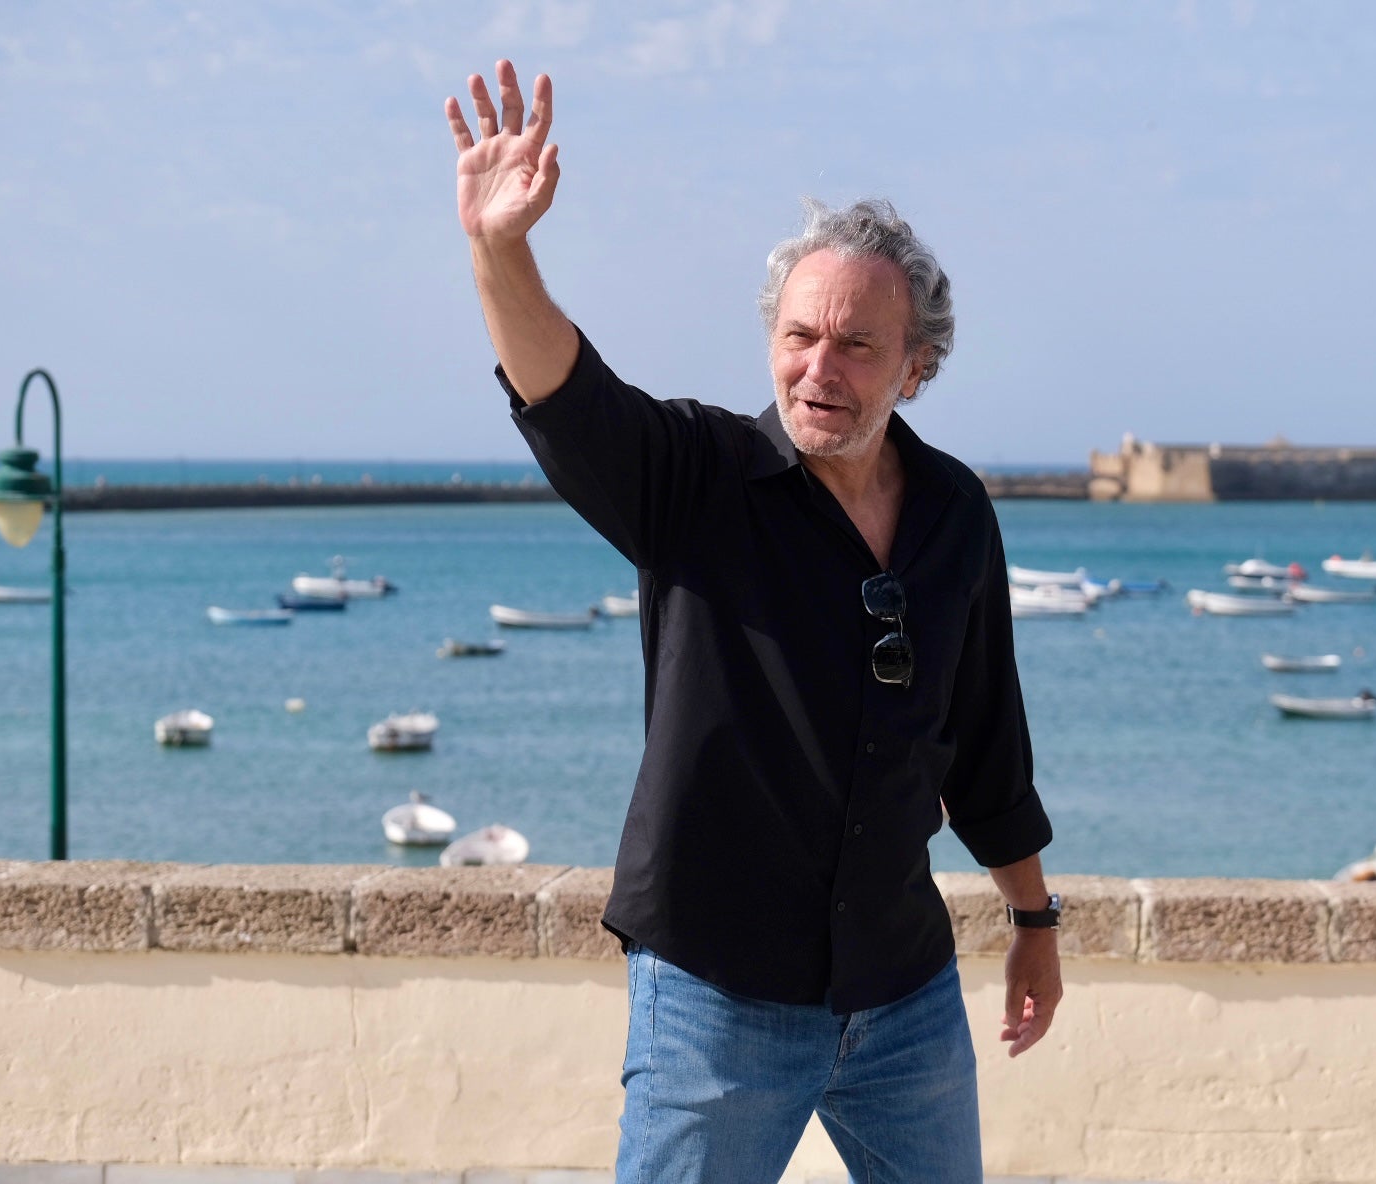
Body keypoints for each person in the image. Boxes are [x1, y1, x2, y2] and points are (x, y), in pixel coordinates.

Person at [446, 60, 1063, 1184]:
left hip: (903, 993)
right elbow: (564, 394)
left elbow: (984, 743)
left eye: (855, 345)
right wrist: (500, 248)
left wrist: (1034, 917)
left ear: (917, 367)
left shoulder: (956, 515)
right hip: (716, 998)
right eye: (798, 336)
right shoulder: (698, 478)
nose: (817, 367)